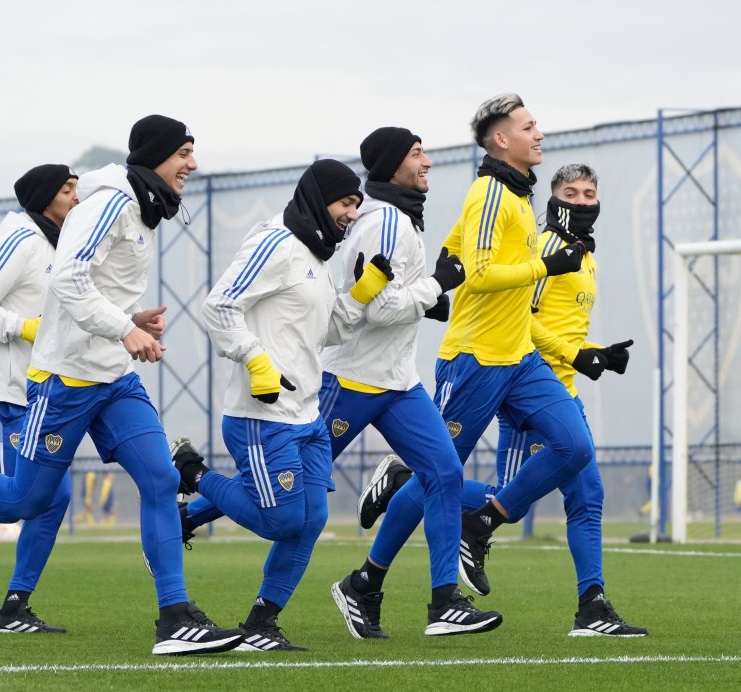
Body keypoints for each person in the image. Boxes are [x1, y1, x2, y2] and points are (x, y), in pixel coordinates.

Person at [0, 115, 244, 656]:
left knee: (159, 478)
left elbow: (91, 288)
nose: (193, 164)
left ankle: (174, 618)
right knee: (22, 501)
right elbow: (69, 280)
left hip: (114, 378)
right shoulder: (110, 203)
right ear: (155, 156)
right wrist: (122, 328)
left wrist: (129, 319)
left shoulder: (140, 207)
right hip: (65, 380)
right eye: (184, 153)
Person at [345, 93, 596, 634]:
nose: (540, 134)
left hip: (520, 357)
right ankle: (365, 582)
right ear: (500, 139)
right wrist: (546, 266)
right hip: (476, 358)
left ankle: (482, 524)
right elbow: (477, 275)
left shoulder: (517, 195)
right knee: (438, 477)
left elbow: (454, 251)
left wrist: (436, 281)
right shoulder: (490, 193)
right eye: (529, 126)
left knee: (574, 447)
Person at [172, 159, 392, 651]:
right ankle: (191, 472)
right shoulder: (275, 242)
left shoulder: (318, 254)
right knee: (281, 521)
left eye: (357, 204)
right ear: (318, 199)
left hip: (307, 414)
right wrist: (254, 359)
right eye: (345, 202)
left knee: (310, 522)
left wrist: (360, 296)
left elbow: (325, 331)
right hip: (260, 414)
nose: (352, 213)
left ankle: (261, 623)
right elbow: (218, 306)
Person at [321, 127, 502, 638]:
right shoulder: (385, 221)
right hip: (352, 380)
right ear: (392, 164)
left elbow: (396, 298)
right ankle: (196, 499)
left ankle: (444, 602)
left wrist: (430, 295)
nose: (427, 161)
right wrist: (440, 284)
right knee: (287, 490)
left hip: (398, 382)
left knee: (444, 473)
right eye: (417, 153)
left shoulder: (401, 217)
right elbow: (378, 309)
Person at [463, 164, 646, 636]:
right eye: (572, 192)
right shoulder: (545, 249)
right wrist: (573, 354)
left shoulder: (586, 257)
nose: (582, 200)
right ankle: (413, 483)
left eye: (589, 193)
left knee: (586, 497)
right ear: (554, 196)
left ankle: (592, 607)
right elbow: (518, 319)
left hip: (562, 391)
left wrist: (596, 352)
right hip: (530, 390)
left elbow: (562, 326)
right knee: (512, 500)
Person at [0, 164, 79, 634]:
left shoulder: (61, 246)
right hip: (1, 394)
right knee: (10, 504)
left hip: (39, 397)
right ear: (44, 197)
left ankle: (13, 608)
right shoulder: (22, 237)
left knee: (55, 497)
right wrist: (20, 327)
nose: (76, 198)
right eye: (67, 190)